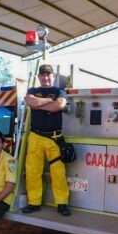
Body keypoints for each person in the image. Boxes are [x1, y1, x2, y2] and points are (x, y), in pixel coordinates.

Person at [22, 64, 71, 216]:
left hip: (54, 139)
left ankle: (62, 203)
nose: (45, 77)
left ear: (53, 76)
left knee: (58, 173)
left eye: (48, 74)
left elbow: (60, 105)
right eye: (42, 75)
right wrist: (49, 102)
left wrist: (40, 103)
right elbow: (30, 101)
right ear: (39, 77)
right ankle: (34, 203)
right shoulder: (32, 91)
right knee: (32, 172)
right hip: (35, 137)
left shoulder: (59, 91)